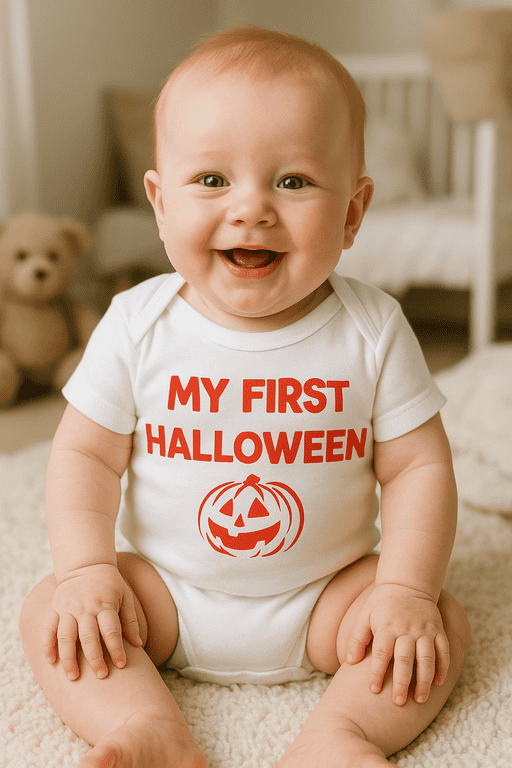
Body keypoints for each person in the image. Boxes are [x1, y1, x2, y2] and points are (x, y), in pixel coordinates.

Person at [19, 25, 470, 768]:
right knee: (50, 610)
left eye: (293, 181)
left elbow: (419, 469)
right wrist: (90, 572)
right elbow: (85, 457)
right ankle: (143, 726)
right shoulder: (138, 323)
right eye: (212, 181)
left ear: (353, 213)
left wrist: (405, 591)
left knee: (436, 623)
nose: (251, 208)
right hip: (164, 594)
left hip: (327, 599)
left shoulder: (372, 328)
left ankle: (339, 736)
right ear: (161, 205)